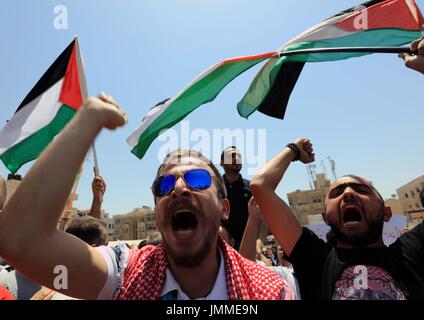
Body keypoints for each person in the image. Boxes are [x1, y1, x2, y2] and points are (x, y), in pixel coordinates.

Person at [0, 94, 294, 300]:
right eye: (164, 185)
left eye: (197, 178)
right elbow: (19, 241)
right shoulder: (122, 275)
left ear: (224, 208)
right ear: (157, 214)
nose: (179, 188)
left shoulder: (272, 290)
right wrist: (85, 122)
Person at [251, 138, 424, 300]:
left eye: (362, 190)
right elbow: (261, 185)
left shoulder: (412, 252)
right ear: (325, 218)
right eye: (337, 193)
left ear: (386, 213)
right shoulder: (315, 260)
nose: (348, 193)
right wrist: (294, 149)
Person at [220, 146, 255, 250]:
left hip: (247, 247)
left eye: (239, 156)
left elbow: (262, 219)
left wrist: (258, 242)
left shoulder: (252, 188)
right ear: (221, 163)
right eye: (231, 156)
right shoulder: (215, 188)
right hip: (220, 246)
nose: (236, 158)